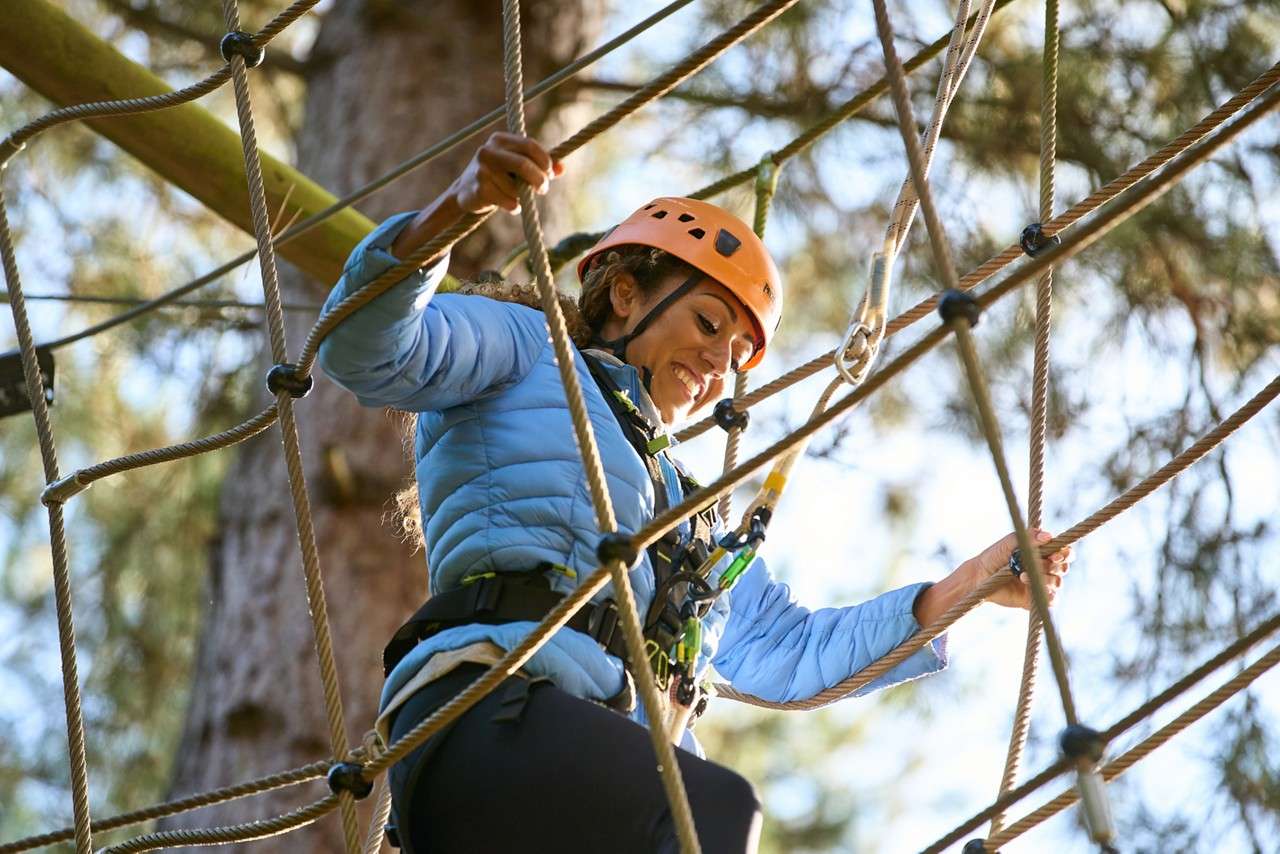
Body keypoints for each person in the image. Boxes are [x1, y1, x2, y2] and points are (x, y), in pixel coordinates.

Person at [317, 131, 1072, 853]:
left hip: (584, 760)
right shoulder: (528, 348)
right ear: (622, 293)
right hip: (487, 714)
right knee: (710, 813)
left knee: (700, 811)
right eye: (708, 324)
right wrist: (459, 207)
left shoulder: (688, 512)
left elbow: (786, 651)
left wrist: (969, 585)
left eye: (738, 355)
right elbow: (371, 349)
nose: (719, 365)